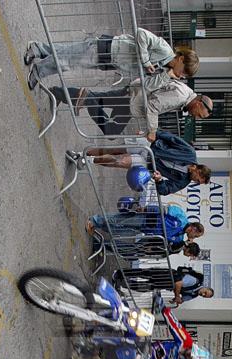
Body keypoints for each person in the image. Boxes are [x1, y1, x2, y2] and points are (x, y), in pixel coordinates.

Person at [25, 28, 199, 88]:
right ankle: (39, 71)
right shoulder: (165, 49)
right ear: (181, 59)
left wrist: (166, 76)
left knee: (69, 53)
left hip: (112, 61)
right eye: (184, 71)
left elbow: (148, 85)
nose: (182, 75)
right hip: (111, 49)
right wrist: (146, 61)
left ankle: (38, 49)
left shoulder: (164, 70)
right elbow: (141, 34)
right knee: (68, 61)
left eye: (185, 75)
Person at [49, 83, 213, 140]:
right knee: (111, 131)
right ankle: (85, 98)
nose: (195, 117)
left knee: (98, 98)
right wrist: (152, 130)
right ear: (199, 103)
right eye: (199, 114)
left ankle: (57, 93)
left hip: (133, 96)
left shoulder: (185, 95)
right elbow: (153, 106)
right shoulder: (180, 96)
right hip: (132, 101)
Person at [83, 129, 212, 196]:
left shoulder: (183, 181)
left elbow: (166, 190)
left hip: (148, 164)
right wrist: (150, 133)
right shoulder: (189, 152)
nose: (195, 181)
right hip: (150, 146)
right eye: (198, 180)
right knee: (114, 149)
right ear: (199, 170)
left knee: (120, 161)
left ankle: (89, 161)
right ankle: (83, 153)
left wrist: (160, 181)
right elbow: (171, 138)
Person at [86, 203, 204, 256]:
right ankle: (94, 221)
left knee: (119, 231)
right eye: (196, 235)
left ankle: (99, 225)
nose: (194, 238)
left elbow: (170, 247)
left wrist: (185, 243)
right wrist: (146, 209)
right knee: (119, 220)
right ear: (194, 228)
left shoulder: (180, 238)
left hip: (145, 230)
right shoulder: (181, 216)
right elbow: (162, 209)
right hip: (146, 218)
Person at [115, 265, 214, 305]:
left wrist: (177, 300)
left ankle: (122, 283)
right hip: (167, 275)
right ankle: (119, 273)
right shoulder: (195, 281)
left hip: (166, 284)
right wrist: (177, 296)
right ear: (205, 287)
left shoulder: (194, 295)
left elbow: (181, 300)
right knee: (144, 273)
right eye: (205, 292)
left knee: (144, 287)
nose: (203, 294)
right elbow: (178, 282)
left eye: (204, 296)